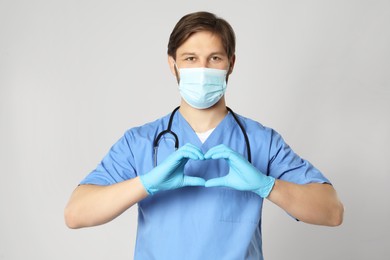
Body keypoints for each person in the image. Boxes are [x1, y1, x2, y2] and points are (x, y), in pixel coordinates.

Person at [64, 11, 344, 259]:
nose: (202, 69)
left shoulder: (260, 141)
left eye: (214, 58)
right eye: (190, 58)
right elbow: (76, 213)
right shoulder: (142, 141)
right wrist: (146, 184)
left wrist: (267, 186)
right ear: (172, 65)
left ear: (230, 64)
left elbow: (332, 212)